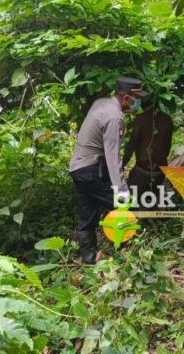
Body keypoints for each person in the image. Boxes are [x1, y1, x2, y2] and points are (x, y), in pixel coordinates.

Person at [69, 76, 147, 264]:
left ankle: (90, 258)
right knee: (128, 208)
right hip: (91, 170)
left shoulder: (101, 103)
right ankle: (131, 254)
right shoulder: (114, 118)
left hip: (78, 169)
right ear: (126, 97)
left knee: (87, 214)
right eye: (136, 99)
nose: (138, 103)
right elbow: (113, 158)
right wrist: (122, 190)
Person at [122, 100, 174, 202]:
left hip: (143, 168)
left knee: (129, 202)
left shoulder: (141, 119)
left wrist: (122, 164)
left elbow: (132, 145)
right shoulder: (168, 119)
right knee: (150, 202)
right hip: (160, 169)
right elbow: (168, 147)